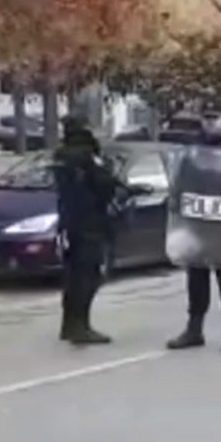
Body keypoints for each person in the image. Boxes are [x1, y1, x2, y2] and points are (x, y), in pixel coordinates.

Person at [166, 110, 221, 355]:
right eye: (207, 117)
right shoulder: (194, 148)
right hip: (198, 224)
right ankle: (194, 329)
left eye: (216, 117)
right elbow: (181, 180)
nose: (210, 123)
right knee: (196, 278)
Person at [51, 114, 125, 346]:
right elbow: (104, 184)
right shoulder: (87, 156)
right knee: (88, 275)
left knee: (72, 275)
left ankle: (68, 325)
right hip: (90, 221)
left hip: (69, 220)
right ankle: (81, 326)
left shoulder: (61, 154)